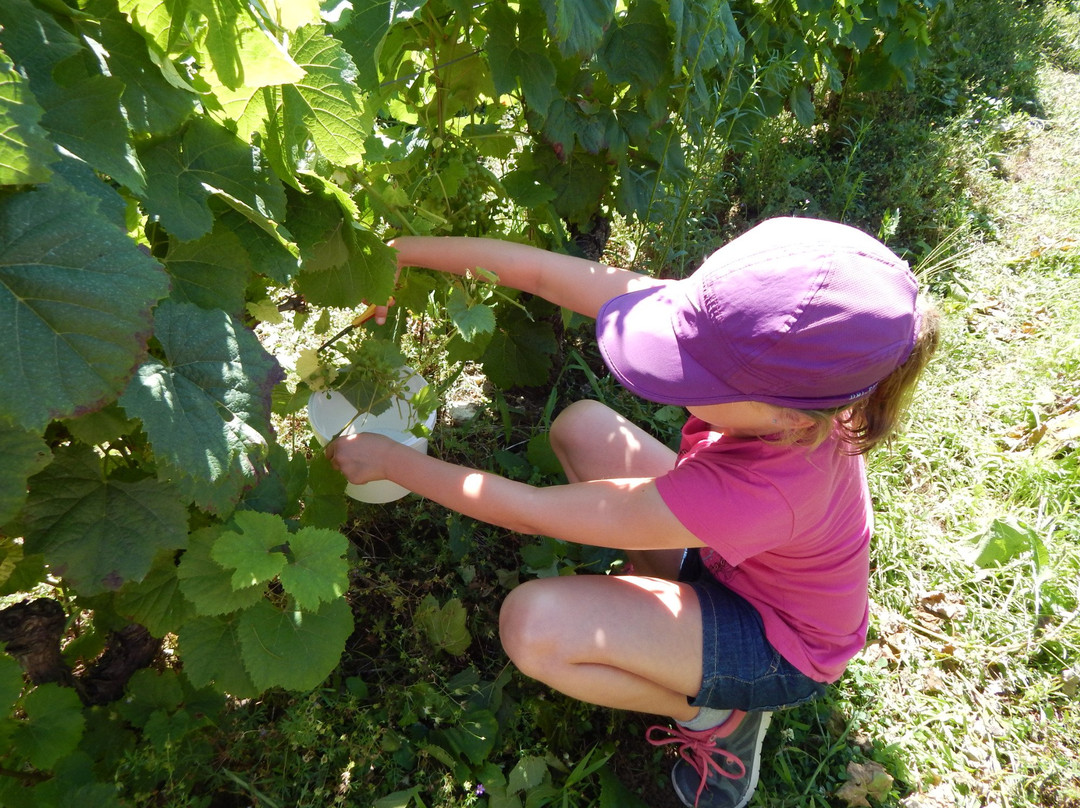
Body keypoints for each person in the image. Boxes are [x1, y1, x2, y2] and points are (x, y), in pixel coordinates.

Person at [326, 216, 940, 808]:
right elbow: (542, 274)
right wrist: (398, 254)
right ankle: (665, 625)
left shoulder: (765, 488)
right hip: (734, 558)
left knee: (533, 626)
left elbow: (532, 512)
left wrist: (392, 461)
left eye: (699, 377)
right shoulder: (750, 341)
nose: (679, 371)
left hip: (777, 644)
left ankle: (713, 715)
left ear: (785, 415)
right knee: (583, 427)